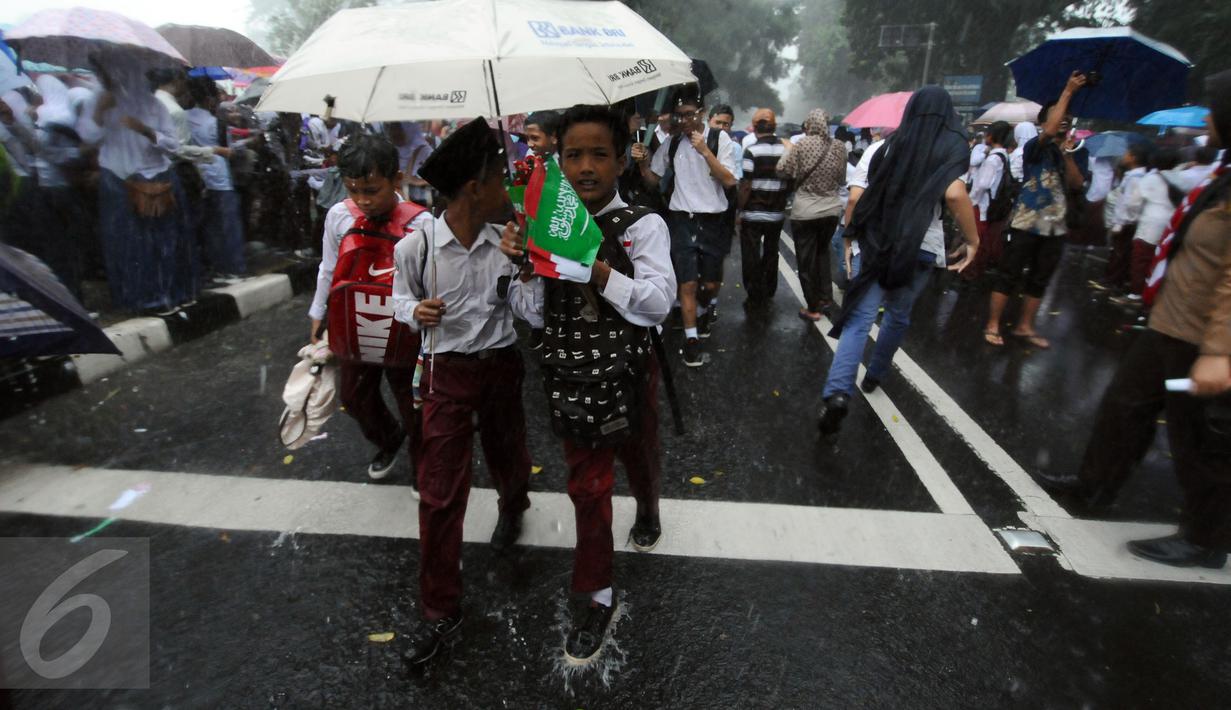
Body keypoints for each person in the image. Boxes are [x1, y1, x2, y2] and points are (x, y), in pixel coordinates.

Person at [1036, 68, 1231, 569]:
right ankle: (1092, 487)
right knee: (1125, 407)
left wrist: (1219, 350)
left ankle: (1205, 538)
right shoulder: (1221, 177)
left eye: (1215, 107)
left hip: (1201, 337)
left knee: (1198, 439)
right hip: (1169, 321)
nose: (1207, 117)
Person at [501, 103, 675, 664]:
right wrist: (526, 269)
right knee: (588, 485)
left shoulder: (643, 225)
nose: (585, 167)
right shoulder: (545, 222)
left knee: (639, 452)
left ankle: (648, 506)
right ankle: (597, 592)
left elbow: (657, 304)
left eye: (599, 153)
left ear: (622, 160)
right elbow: (531, 314)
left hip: (629, 371)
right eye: (572, 154)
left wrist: (599, 272)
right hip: (571, 376)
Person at [393, 117, 533, 666]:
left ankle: (513, 503)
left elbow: (531, 315)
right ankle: (439, 609)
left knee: (508, 454)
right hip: (444, 372)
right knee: (440, 491)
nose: (509, 188)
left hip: (500, 366)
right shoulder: (418, 246)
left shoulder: (508, 240)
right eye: (501, 177)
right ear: (474, 188)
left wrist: (524, 267)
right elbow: (399, 299)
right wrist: (414, 311)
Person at [817, 86, 979, 436]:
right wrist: (973, 239)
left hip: (876, 243)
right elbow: (954, 193)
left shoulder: (882, 146)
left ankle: (837, 394)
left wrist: (849, 237)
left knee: (859, 318)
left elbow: (857, 197)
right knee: (898, 314)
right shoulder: (950, 151)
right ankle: (875, 373)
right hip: (920, 247)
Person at [306, 134, 433, 481]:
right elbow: (328, 268)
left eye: (372, 190)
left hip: (402, 327)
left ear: (396, 180)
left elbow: (432, 280)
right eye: (353, 190)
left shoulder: (421, 223)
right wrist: (318, 315)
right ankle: (389, 438)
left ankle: (424, 461)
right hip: (354, 322)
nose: (362, 200)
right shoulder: (338, 217)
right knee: (354, 395)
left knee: (412, 401)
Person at [982, 72, 1091, 348]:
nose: (1064, 119)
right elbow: (1051, 131)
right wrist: (1067, 91)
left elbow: (1077, 184)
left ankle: (1024, 326)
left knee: (1040, 278)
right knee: (1009, 274)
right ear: (1043, 122)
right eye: (1057, 115)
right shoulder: (1034, 147)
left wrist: (1067, 154)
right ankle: (993, 324)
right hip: (1026, 222)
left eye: (1067, 116)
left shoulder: (1070, 152)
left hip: (1056, 226)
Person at [86, 51, 193, 315]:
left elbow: (172, 145)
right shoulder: (99, 102)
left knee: (164, 242)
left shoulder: (154, 105)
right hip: (118, 182)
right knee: (129, 244)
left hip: (158, 177)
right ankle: (140, 299)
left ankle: (172, 294)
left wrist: (144, 130)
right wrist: (100, 113)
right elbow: (87, 138)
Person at [637, 90, 737, 367]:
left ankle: (704, 308)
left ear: (702, 112)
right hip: (681, 219)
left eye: (689, 115)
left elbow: (729, 181)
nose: (683, 121)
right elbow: (652, 181)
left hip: (713, 221)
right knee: (688, 283)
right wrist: (642, 162)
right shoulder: (672, 143)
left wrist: (705, 151)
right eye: (679, 116)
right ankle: (691, 340)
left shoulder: (719, 139)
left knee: (710, 284)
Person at [778, 108, 847, 320]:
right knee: (822, 253)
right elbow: (843, 179)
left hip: (806, 211)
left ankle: (813, 307)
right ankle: (826, 297)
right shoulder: (839, 147)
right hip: (832, 210)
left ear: (808, 126)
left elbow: (782, 169)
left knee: (806, 261)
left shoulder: (801, 145)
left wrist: (789, 150)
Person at [184, 77, 244, 283]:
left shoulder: (182, 117)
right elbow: (229, 152)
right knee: (227, 227)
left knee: (207, 228)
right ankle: (232, 268)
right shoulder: (216, 123)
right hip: (220, 179)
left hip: (196, 179)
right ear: (210, 99)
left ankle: (212, 269)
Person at [1113, 147, 1181, 305]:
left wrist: (1128, 220)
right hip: (1169, 226)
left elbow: (1132, 204)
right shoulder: (1179, 177)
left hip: (1149, 226)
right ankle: (1150, 292)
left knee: (1140, 260)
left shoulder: (1150, 179)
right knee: (1155, 261)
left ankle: (1136, 295)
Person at [735, 108, 789, 306]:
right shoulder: (786, 150)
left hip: (753, 213)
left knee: (751, 253)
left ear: (755, 127)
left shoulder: (752, 151)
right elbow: (790, 180)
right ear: (774, 126)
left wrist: (739, 209)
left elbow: (746, 185)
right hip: (776, 213)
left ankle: (754, 291)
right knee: (771, 251)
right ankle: (769, 288)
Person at [1097, 142, 1151, 293]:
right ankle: (1113, 278)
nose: (1123, 156)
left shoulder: (1135, 179)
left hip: (1126, 223)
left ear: (1133, 158)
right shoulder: (1135, 176)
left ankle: (1113, 280)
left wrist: (1120, 224)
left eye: (1126, 154)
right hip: (1127, 222)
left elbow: (1130, 204)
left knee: (1120, 252)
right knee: (1119, 251)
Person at [963, 121, 1012, 281]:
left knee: (976, 240)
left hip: (982, 205)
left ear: (991, 136)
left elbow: (982, 184)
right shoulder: (1004, 156)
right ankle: (975, 270)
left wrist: (971, 200)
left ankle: (971, 272)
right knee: (983, 240)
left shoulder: (993, 159)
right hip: (993, 205)